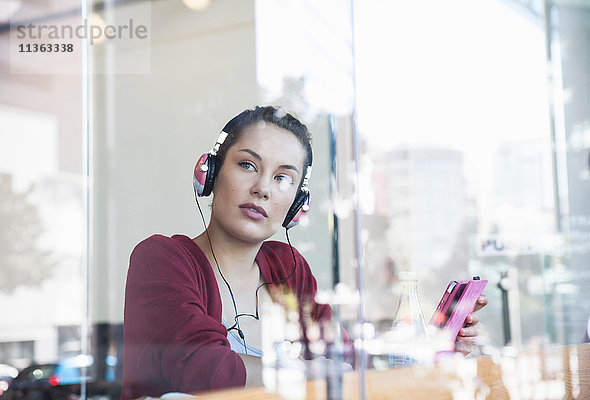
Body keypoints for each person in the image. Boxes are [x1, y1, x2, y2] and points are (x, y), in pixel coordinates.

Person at [121, 106, 488, 399]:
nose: (263, 188)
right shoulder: (162, 259)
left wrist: (432, 348)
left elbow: (346, 356)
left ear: (298, 203)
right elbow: (203, 370)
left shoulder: (288, 267)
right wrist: (313, 375)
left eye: (283, 178)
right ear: (211, 172)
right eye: (247, 165)